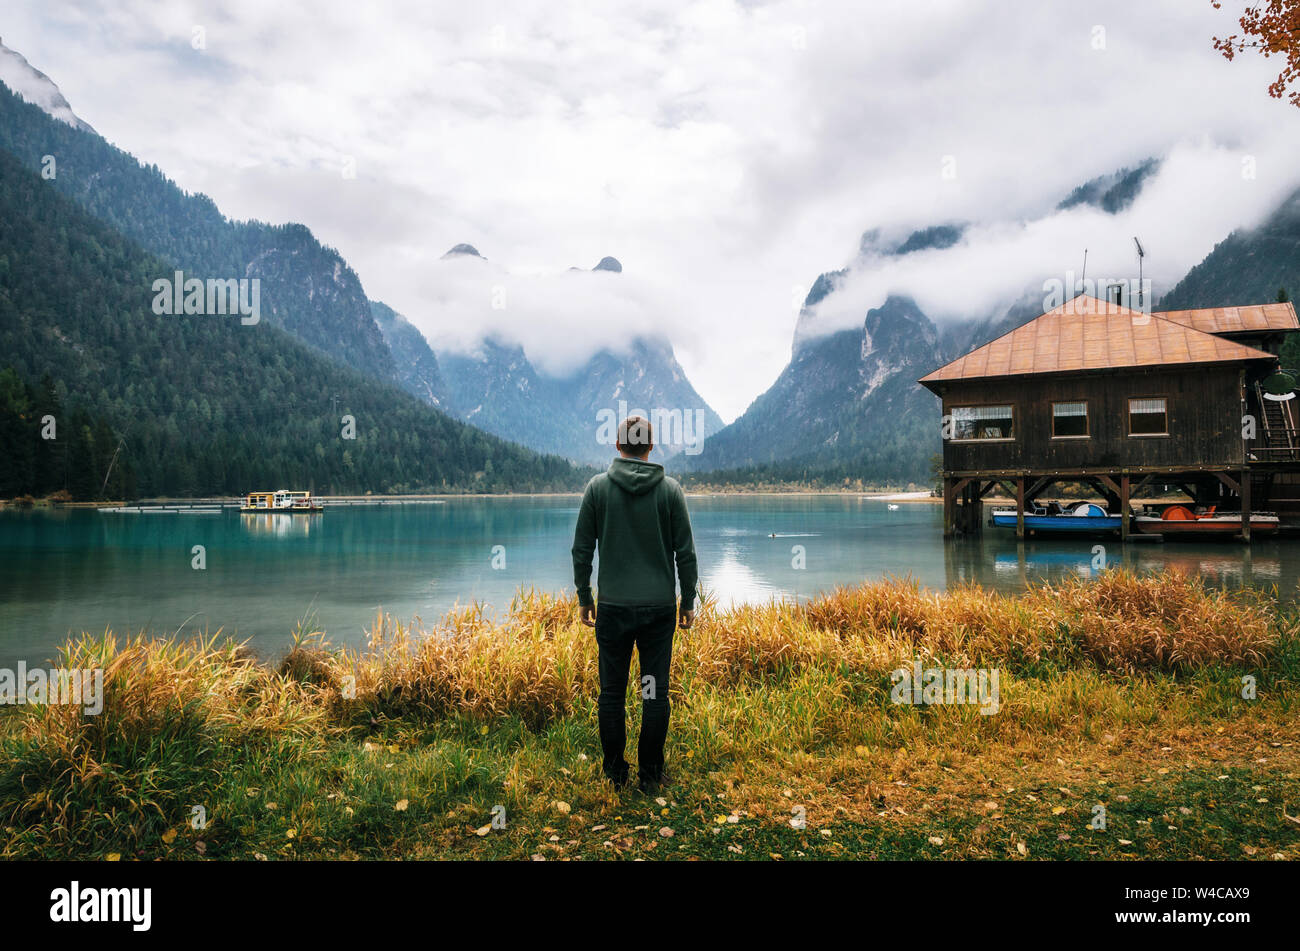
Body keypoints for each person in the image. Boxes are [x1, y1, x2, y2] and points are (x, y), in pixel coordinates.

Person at [571, 414, 698, 792]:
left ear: (617, 445)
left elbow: (582, 550)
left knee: (611, 692)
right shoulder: (670, 490)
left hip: (612, 608)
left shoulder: (597, 489)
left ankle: (614, 774)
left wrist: (584, 596)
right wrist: (687, 601)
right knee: (652, 690)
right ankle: (651, 774)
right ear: (650, 448)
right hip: (658, 610)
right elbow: (685, 554)